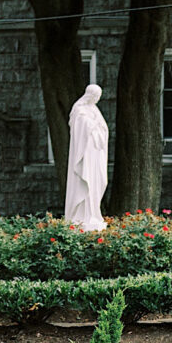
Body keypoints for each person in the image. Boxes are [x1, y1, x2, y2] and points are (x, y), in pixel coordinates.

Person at [64, 83, 108, 232]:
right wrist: (93, 125)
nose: (96, 99)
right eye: (95, 96)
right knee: (85, 182)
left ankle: (93, 214)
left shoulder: (94, 110)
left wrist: (98, 127)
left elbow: (103, 129)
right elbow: (81, 129)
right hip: (85, 155)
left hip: (95, 154)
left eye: (98, 97)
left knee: (97, 181)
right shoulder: (80, 110)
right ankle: (82, 215)